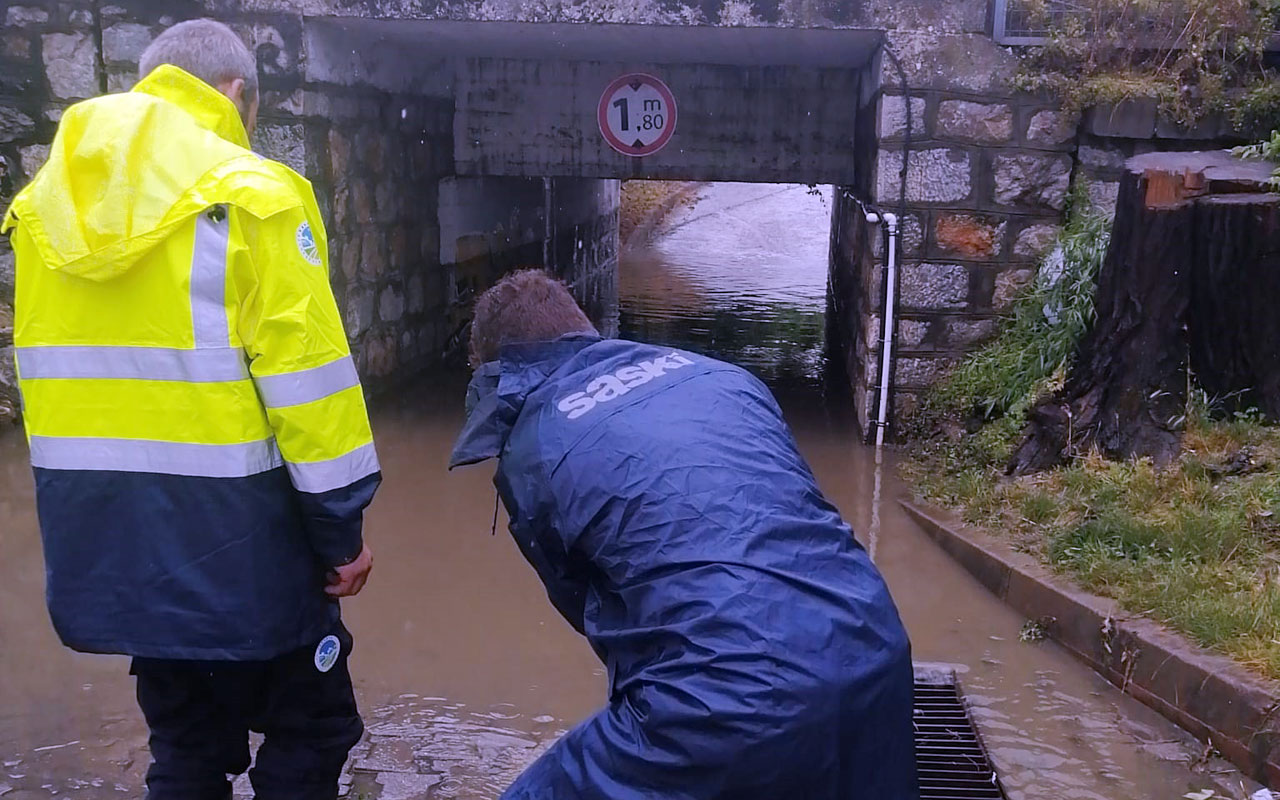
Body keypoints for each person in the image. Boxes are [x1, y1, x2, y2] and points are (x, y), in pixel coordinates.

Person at [2, 19, 380, 800]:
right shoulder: (255, 195)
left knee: (186, 746)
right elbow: (311, 393)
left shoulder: (40, 212)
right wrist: (341, 533)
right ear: (237, 91)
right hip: (245, 548)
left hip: (117, 551)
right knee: (313, 730)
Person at [450, 269, 918, 799]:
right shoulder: (722, 376)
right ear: (583, 328)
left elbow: (593, 611)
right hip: (874, 650)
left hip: (726, 701)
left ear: (499, 372)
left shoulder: (532, 446)